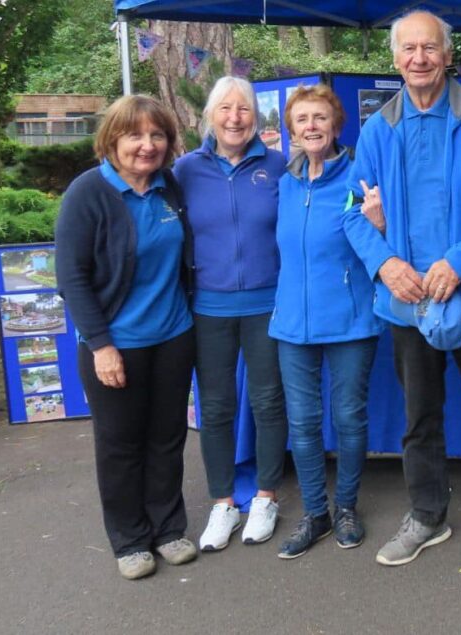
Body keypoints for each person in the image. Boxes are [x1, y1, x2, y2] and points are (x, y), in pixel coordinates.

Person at [343, 10, 461, 573]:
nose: (419, 58)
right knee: (419, 416)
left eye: (429, 48)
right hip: (407, 300)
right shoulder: (376, 130)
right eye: (408, 49)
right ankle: (426, 514)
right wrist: (385, 263)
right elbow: (350, 212)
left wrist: (459, 263)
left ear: (447, 55)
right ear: (395, 59)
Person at [55, 95, 197, 580]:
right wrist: (101, 345)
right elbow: (71, 278)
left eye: (157, 135)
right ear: (112, 140)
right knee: (120, 444)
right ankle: (131, 540)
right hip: (116, 344)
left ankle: (168, 528)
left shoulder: (169, 188)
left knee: (167, 438)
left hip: (174, 336)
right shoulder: (88, 193)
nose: (147, 145)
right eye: (135, 135)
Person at [268, 84, 384, 560]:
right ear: (291, 130)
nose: (311, 126)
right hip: (291, 324)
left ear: (336, 125)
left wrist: (379, 225)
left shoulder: (360, 176)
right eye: (302, 120)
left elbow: (384, 243)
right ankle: (315, 512)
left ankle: (347, 508)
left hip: (351, 320)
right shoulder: (286, 183)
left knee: (349, 417)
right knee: (303, 422)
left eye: (320, 118)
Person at [173, 76, 289, 551]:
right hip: (208, 307)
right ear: (210, 117)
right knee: (216, 406)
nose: (235, 118)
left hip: (267, 303)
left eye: (243, 109)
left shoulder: (281, 165)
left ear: (256, 118)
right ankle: (223, 502)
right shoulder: (184, 171)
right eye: (225, 109)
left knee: (267, 402)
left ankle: (265, 495)